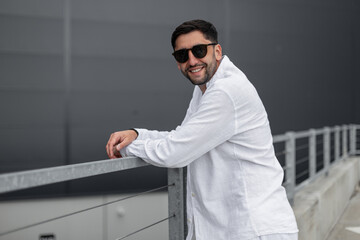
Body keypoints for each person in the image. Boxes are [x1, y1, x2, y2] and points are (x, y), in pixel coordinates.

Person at [106, 19, 298, 240]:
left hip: (253, 229)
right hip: (236, 228)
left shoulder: (226, 92)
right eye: (182, 55)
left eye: (198, 50)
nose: (191, 60)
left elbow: (175, 152)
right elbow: (183, 136)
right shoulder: (206, 89)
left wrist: (129, 148)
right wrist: (137, 134)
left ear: (217, 51)